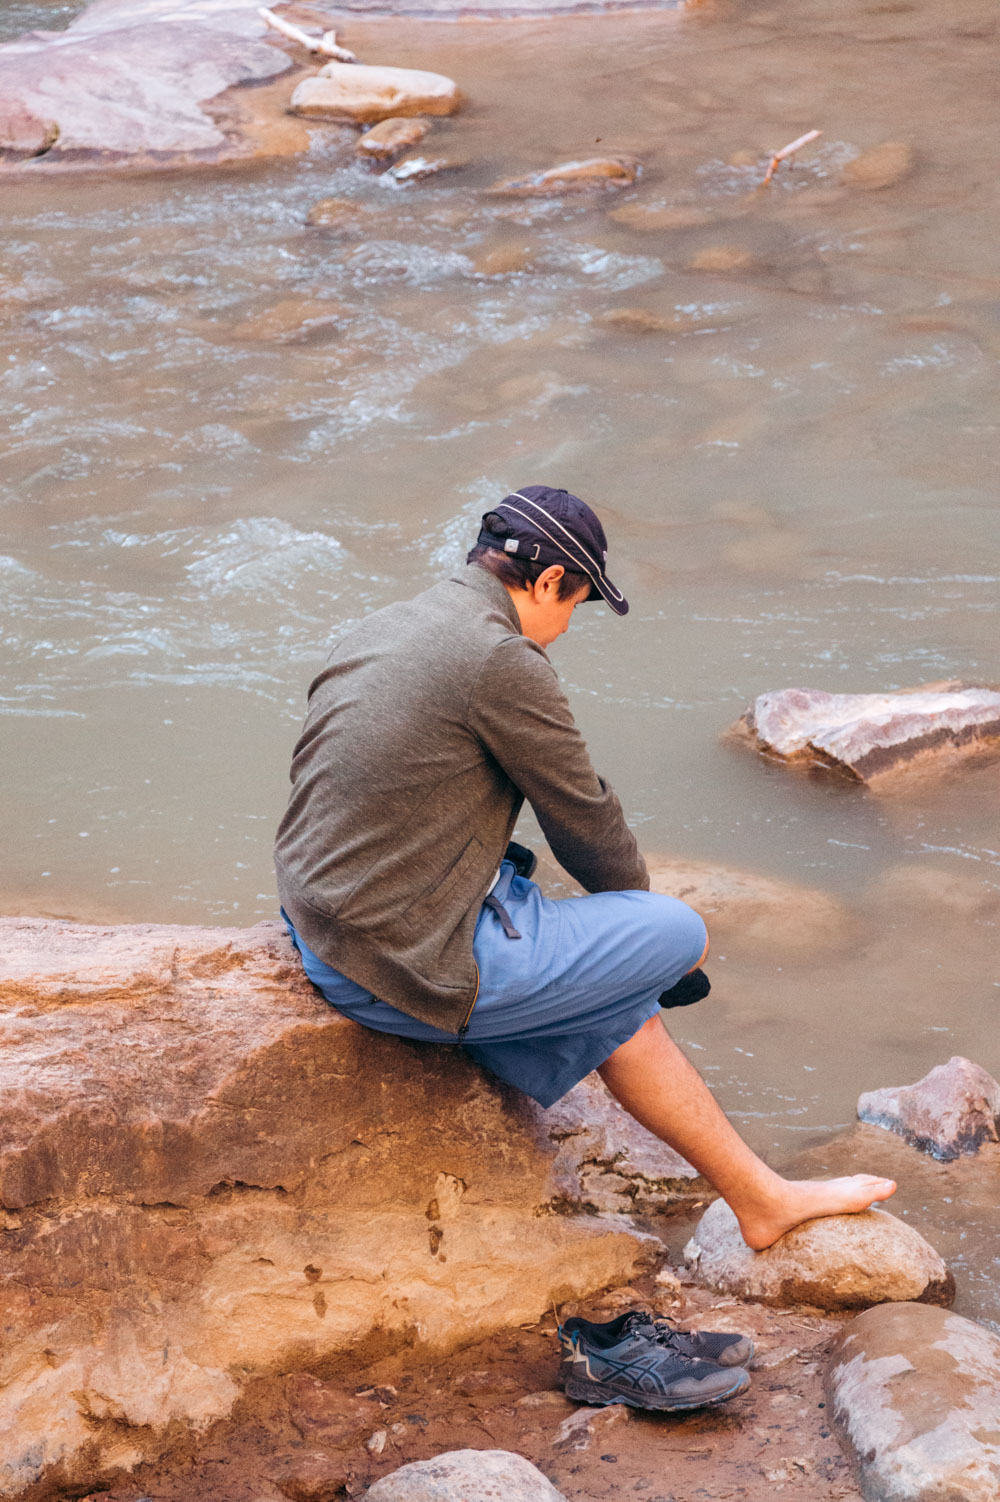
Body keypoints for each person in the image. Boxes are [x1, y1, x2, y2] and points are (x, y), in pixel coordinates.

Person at [275, 484, 895, 1403]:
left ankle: (758, 1199)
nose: (570, 627)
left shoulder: (386, 623)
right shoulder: (500, 661)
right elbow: (588, 824)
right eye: (578, 606)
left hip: (323, 922)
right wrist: (651, 945)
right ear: (552, 579)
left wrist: (613, 972)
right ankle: (754, 1184)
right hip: (400, 962)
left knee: (619, 1002)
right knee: (676, 930)